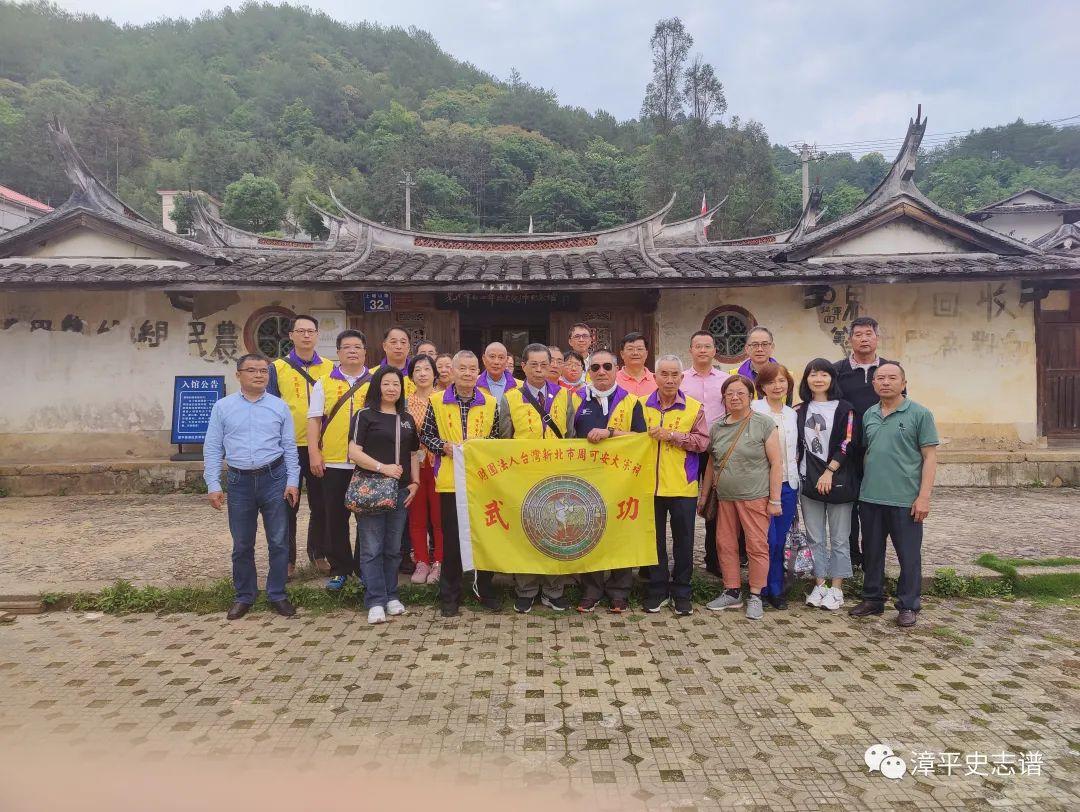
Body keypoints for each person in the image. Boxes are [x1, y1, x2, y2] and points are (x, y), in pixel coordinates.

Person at [204, 353, 300, 620]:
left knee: (279, 541)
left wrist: (293, 481)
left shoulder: (279, 406)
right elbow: (212, 447)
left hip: (274, 478)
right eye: (252, 370)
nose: (259, 375)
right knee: (242, 543)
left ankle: (277, 594)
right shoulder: (223, 407)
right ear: (239, 375)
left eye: (263, 371)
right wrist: (213, 483)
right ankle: (244, 595)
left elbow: (289, 448)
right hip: (239, 482)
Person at [849, 363, 938, 628]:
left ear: (903, 382)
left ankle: (908, 604)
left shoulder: (919, 414)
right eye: (880, 378)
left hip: (906, 500)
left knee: (908, 555)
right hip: (871, 497)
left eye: (892, 378)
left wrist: (924, 497)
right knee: (872, 552)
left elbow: (930, 457)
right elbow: (868, 452)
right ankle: (873, 598)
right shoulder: (869, 414)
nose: (885, 382)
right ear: (873, 384)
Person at [418, 350, 503, 617]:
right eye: (462, 369)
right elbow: (426, 434)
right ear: (452, 372)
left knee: (484, 538)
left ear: (478, 372)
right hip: (449, 481)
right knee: (452, 541)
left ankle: (484, 590)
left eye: (472, 369)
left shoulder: (490, 403)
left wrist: (479, 449)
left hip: (481, 482)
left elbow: (496, 438)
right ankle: (450, 596)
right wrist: (443, 447)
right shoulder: (436, 401)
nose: (467, 374)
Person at [497, 343, 580, 613]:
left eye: (544, 364)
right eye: (533, 364)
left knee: (556, 532)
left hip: (556, 477)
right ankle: (526, 590)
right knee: (526, 532)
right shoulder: (510, 398)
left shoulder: (564, 396)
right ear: (523, 366)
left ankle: (554, 590)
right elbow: (504, 440)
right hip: (523, 478)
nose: (540, 370)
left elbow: (570, 438)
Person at [700, 375, 783, 621]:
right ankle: (732, 591)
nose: (735, 398)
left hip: (755, 497)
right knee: (725, 545)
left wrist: (775, 499)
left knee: (756, 546)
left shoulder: (763, 424)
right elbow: (712, 464)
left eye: (740, 393)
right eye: (729, 394)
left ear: (750, 396)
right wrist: (703, 497)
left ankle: (756, 595)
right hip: (725, 497)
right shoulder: (717, 427)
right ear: (724, 398)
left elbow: (776, 462)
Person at [573, 348, 647, 613]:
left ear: (617, 370)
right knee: (589, 534)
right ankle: (591, 589)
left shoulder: (631, 401)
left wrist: (610, 433)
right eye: (595, 368)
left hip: (621, 482)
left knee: (620, 535)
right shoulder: (575, 400)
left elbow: (642, 439)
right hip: (586, 481)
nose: (601, 372)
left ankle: (619, 591)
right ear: (588, 372)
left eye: (607, 367)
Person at [347, 366, 421, 624]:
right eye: (387, 383)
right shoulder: (364, 416)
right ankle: (375, 600)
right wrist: (383, 468)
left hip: (400, 491)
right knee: (371, 548)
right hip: (371, 489)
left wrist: (415, 482)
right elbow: (354, 452)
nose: (392, 389)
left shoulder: (407, 418)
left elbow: (413, 454)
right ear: (377, 385)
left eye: (396, 384)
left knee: (392, 548)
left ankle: (392, 596)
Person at [267, 315, 334, 577]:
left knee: (322, 505)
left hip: (321, 447)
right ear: (291, 335)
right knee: (287, 505)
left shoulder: (330, 367)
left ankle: (318, 553)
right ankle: (287, 559)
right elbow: (270, 407)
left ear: (317, 335)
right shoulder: (277, 368)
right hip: (288, 447)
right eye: (301, 331)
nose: (306, 336)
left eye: (311, 331)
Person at [641, 355, 709, 616]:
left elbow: (702, 443)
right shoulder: (641, 405)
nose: (669, 380)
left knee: (684, 541)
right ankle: (657, 590)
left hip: (683, 485)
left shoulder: (694, 407)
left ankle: (682, 591)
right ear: (655, 376)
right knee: (654, 541)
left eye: (674, 375)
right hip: (649, 486)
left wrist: (672, 436)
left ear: (682, 378)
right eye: (664, 374)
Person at [306, 330, 372, 591]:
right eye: (347, 347)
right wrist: (314, 452)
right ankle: (340, 567)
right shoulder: (324, 382)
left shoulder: (374, 381)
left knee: (366, 519)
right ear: (338, 352)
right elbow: (314, 419)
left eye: (357, 346)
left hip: (366, 462)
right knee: (335, 518)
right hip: (333, 462)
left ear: (365, 352)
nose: (352, 351)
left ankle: (363, 567)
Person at [833, 316, 900, 571]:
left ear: (877, 338)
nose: (863, 339)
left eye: (868, 334)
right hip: (847, 450)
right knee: (848, 504)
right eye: (858, 334)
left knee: (873, 506)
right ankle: (851, 555)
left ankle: (873, 557)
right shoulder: (838, 370)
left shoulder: (889, 370)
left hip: (879, 450)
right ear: (850, 339)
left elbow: (899, 406)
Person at [795, 359, 859, 612]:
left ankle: (837, 589)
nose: (818, 379)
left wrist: (830, 471)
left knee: (840, 538)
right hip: (807, 480)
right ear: (806, 379)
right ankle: (819, 584)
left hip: (838, 480)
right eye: (813, 374)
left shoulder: (845, 409)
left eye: (824, 374)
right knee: (815, 537)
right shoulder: (799, 410)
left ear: (832, 378)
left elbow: (848, 442)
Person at [680, 330, 729, 578]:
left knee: (716, 506)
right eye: (697, 346)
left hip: (716, 450)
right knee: (685, 503)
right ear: (690, 350)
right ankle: (683, 561)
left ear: (714, 351)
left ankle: (714, 558)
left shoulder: (725, 380)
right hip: (687, 449)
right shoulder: (680, 379)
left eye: (707, 346)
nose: (702, 350)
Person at [750, 363, 799, 610]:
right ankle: (761, 587)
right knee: (764, 540)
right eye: (771, 382)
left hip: (789, 484)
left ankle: (776, 588)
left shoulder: (793, 414)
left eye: (782, 381)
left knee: (779, 539)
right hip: (761, 484)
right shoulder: (753, 410)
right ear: (762, 387)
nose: (777, 386)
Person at [405, 355, 443, 585]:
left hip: (438, 464)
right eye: (417, 369)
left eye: (427, 369)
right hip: (415, 465)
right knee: (417, 517)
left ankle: (439, 561)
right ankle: (421, 560)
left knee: (439, 517)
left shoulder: (443, 400)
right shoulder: (405, 403)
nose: (422, 373)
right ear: (411, 376)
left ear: (434, 373)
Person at [372, 326, 416, 396]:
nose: (399, 346)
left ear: (409, 347)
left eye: (403, 342)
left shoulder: (418, 374)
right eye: (393, 342)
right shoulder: (372, 375)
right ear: (384, 346)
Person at [616, 331, 657, 397]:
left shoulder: (657, 380)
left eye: (639, 349)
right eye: (630, 349)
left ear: (646, 354)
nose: (635, 353)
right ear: (622, 354)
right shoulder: (613, 381)